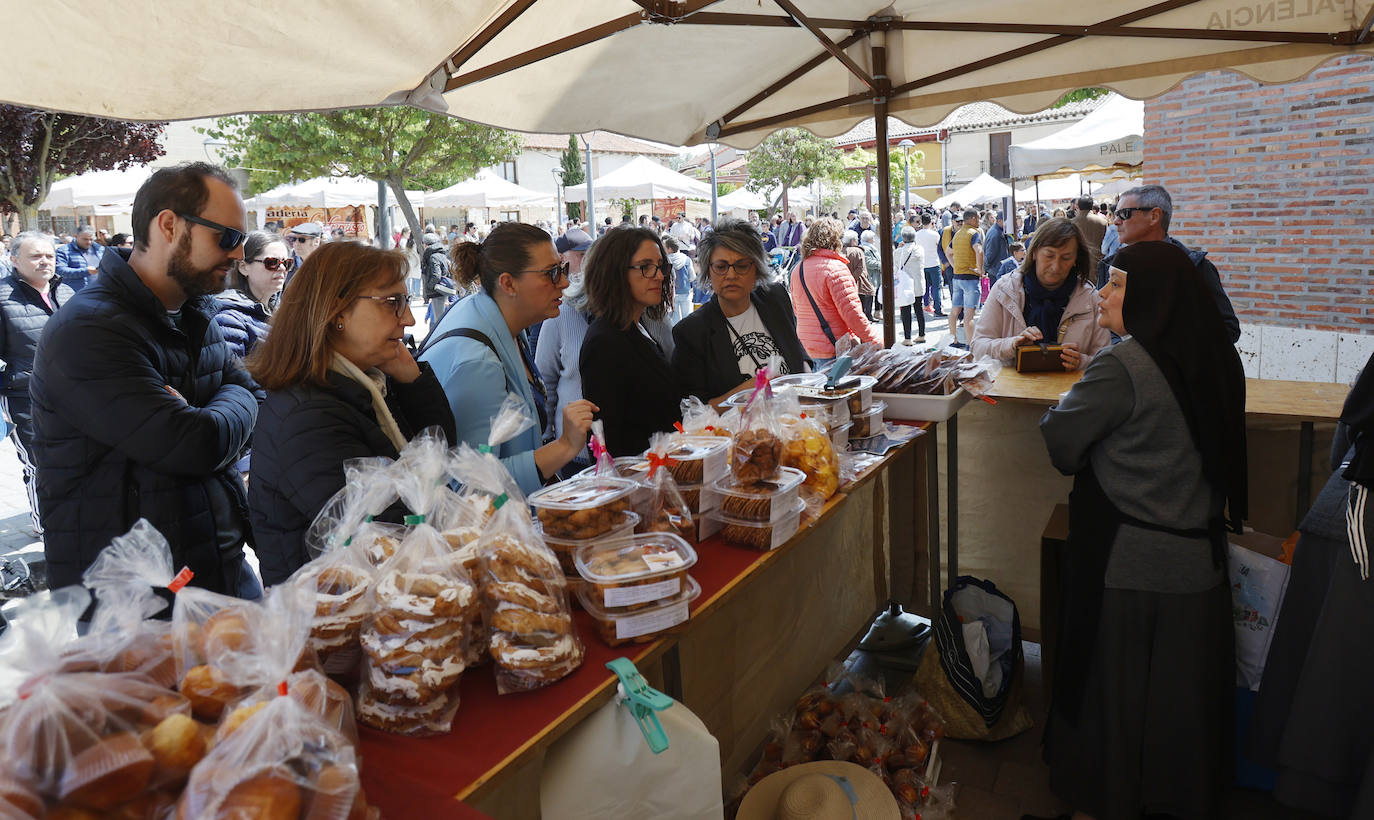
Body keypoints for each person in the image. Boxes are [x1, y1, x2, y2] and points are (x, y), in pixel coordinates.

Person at [1037, 240, 1247, 820]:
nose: (1103, 292)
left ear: (1152, 295)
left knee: (1119, 702)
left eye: (1118, 284)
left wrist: (1062, 413)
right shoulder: (1217, 358)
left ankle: (1108, 804)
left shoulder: (1125, 365)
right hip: (1199, 567)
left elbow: (1061, 442)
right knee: (1179, 704)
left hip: (1128, 567)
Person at [30, 162, 260, 596]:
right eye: (227, 237)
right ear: (169, 225)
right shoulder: (89, 329)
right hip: (134, 600)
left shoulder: (193, 312)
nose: (238, 255)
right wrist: (214, 413)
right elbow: (195, 443)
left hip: (216, 564)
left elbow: (248, 392)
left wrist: (212, 409)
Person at [247, 242, 455, 585]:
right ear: (336, 312)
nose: (409, 318)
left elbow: (439, 457)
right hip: (329, 618)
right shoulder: (310, 417)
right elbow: (384, 535)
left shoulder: (368, 381)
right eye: (393, 302)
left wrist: (414, 381)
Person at [421, 222, 595, 493]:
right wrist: (565, 446)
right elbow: (471, 485)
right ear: (508, 283)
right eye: (551, 273)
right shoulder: (477, 364)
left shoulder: (499, 318)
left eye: (561, 269)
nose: (563, 282)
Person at [672, 219, 810, 405]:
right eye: (721, 267)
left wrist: (809, 381)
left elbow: (795, 349)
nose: (731, 275)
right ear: (708, 271)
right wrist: (750, 389)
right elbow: (693, 410)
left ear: (756, 269)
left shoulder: (775, 298)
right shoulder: (692, 331)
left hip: (799, 425)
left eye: (742, 265)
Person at [579, 227, 682, 456]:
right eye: (645, 267)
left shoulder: (635, 327)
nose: (659, 275)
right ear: (615, 272)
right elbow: (608, 442)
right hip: (639, 482)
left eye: (660, 266)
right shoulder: (605, 341)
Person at [1098, 184, 1240, 343]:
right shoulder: (1109, 267)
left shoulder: (1196, 266)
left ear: (1154, 216)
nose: (1116, 221)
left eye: (1124, 214)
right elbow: (1106, 331)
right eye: (1116, 214)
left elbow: (1228, 329)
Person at [0, 232, 74, 534]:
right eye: (35, 256)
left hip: (73, 395)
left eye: (49, 255)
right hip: (23, 396)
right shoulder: (3, 298)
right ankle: (48, 528)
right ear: (14, 260)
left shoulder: (65, 291)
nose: (45, 261)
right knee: (40, 464)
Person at [971, 218, 1108, 371]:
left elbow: (1106, 362)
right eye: (1049, 256)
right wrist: (1012, 344)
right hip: (1012, 393)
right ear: (1034, 252)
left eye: (1066, 258)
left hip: (1069, 394)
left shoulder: (1090, 299)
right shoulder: (1005, 290)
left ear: (1076, 259)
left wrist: (1081, 362)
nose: (1056, 267)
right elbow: (978, 347)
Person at [790, 218, 881, 372]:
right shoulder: (835, 268)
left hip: (808, 346)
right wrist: (875, 342)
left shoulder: (798, 268)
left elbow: (797, 310)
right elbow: (852, 314)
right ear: (835, 240)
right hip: (833, 346)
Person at [213, 230, 288, 360]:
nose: (282, 269)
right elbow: (234, 375)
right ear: (243, 267)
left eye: (286, 263)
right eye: (272, 262)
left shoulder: (283, 310)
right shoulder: (229, 318)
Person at [947, 209, 983, 348]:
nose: (979, 221)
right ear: (973, 218)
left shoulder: (957, 234)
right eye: (978, 218)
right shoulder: (974, 233)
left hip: (957, 277)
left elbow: (948, 252)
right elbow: (979, 251)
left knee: (955, 311)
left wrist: (955, 266)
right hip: (970, 278)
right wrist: (980, 270)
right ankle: (971, 344)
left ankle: (954, 340)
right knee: (969, 315)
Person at [888, 226, 925, 344]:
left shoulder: (898, 252)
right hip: (918, 284)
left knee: (906, 311)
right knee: (919, 309)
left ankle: (907, 338)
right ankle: (921, 334)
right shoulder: (919, 249)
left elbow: (895, 268)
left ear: (903, 238)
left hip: (905, 285)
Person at [54, 224, 104, 293]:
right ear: (76, 236)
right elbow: (60, 270)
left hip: (99, 292)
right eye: (85, 239)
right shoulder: (64, 251)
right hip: (75, 293)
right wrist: (85, 271)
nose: (89, 242)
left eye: (91, 239)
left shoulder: (100, 249)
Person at [914, 213, 945, 317]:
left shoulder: (917, 235)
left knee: (925, 286)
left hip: (922, 263)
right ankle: (938, 308)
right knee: (936, 287)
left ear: (921, 222)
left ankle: (926, 304)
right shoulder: (935, 234)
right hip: (934, 263)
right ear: (931, 222)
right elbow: (939, 248)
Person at [420, 231, 453, 325]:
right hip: (442, 290)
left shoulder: (433, 257)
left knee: (439, 320)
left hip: (437, 292)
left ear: (426, 244)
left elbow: (436, 275)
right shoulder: (441, 254)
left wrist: (430, 286)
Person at [841, 230, 874, 321]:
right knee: (861, 305)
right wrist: (852, 279)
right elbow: (860, 268)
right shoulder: (858, 251)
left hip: (844, 282)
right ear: (852, 241)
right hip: (859, 282)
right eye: (856, 239)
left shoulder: (840, 251)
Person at [664, 235, 694, 324]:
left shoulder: (666, 261)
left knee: (675, 319)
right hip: (685, 291)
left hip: (672, 293)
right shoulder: (687, 259)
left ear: (669, 249)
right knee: (688, 317)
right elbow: (692, 276)